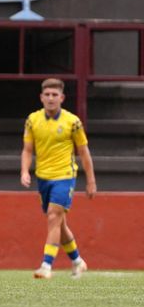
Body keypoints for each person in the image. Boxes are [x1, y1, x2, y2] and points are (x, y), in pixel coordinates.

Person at [22, 78, 95, 279]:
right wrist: (25, 171)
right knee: (59, 224)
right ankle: (78, 261)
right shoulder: (32, 120)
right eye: (47, 95)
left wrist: (90, 181)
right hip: (43, 177)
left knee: (54, 216)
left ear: (62, 98)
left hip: (65, 176)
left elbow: (84, 152)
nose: (51, 98)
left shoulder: (73, 122)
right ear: (41, 97)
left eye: (55, 95)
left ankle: (46, 265)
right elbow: (28, 150)